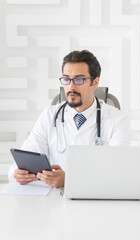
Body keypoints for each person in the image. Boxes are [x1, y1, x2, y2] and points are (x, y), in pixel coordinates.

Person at [8, 50, 129, 188]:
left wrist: (70, 181)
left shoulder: (117, 119)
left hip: (97, 201)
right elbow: (25, 158)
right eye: (66, 79)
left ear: (95, 82)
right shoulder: (49, 115)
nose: (71, 87)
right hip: (54, 200)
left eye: (79, 79)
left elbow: (119, 174)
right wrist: (18, 173)